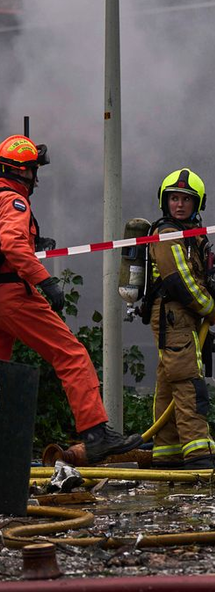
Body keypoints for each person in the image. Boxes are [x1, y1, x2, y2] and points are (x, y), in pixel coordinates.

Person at [0, 133, 142, 462]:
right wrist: (45, 281)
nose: (37, 177)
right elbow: (10, 244)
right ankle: (95, 434)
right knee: (71, 355)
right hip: (12, 295)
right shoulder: (14, 200)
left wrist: (35, 243)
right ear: (23, 171)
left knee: (2, 374)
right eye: (34, 169)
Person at [144, 168, 215, 470]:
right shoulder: (168, 235)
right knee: (187, 381)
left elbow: (196, 275)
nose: (179, 205)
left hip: (179, 316)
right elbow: (179, 280)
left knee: (170, 380)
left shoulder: (190, 236)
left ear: (198, 204)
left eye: (186, 199)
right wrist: (210, 308)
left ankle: (166, 451)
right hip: (174, 315)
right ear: (164, 201)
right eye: (174, 199)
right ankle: (198, 454)